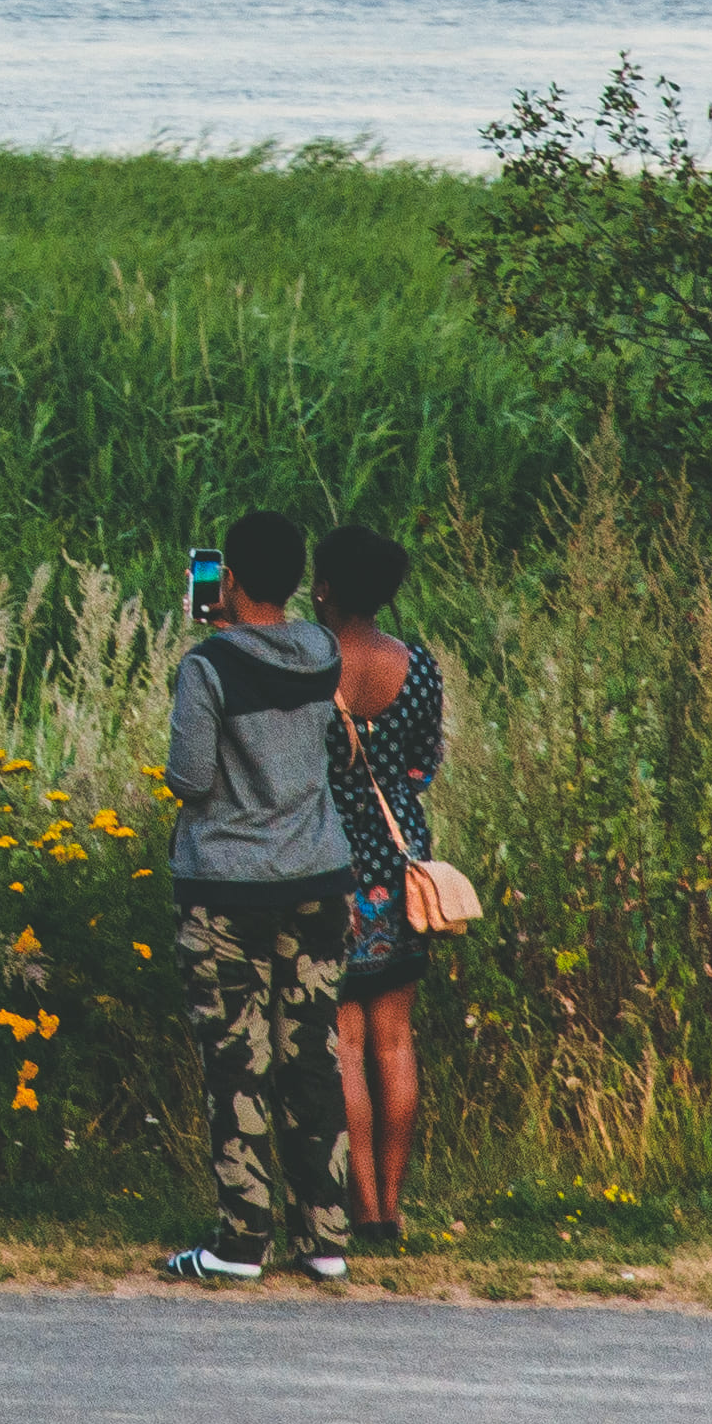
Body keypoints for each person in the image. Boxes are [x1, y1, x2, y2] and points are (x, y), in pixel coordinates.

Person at [154, 505, 357, 1285]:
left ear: (227, 579)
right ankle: (327, 1238)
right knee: (310, 1054)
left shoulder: (208, 666)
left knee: (238, 1058)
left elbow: (190, 777)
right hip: (317, 880)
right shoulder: (321, 652)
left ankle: (241, 1241)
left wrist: (212, 638)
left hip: (226, 889)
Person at [317, 522, 453, 1253]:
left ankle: (357, 1204)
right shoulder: (419, 664)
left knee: (343, 1043)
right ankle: (390, 1213)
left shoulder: (309, 665)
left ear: (324, 587)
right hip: (402, 866)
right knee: (395, 1043)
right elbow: (425, 764)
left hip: (331, 863)